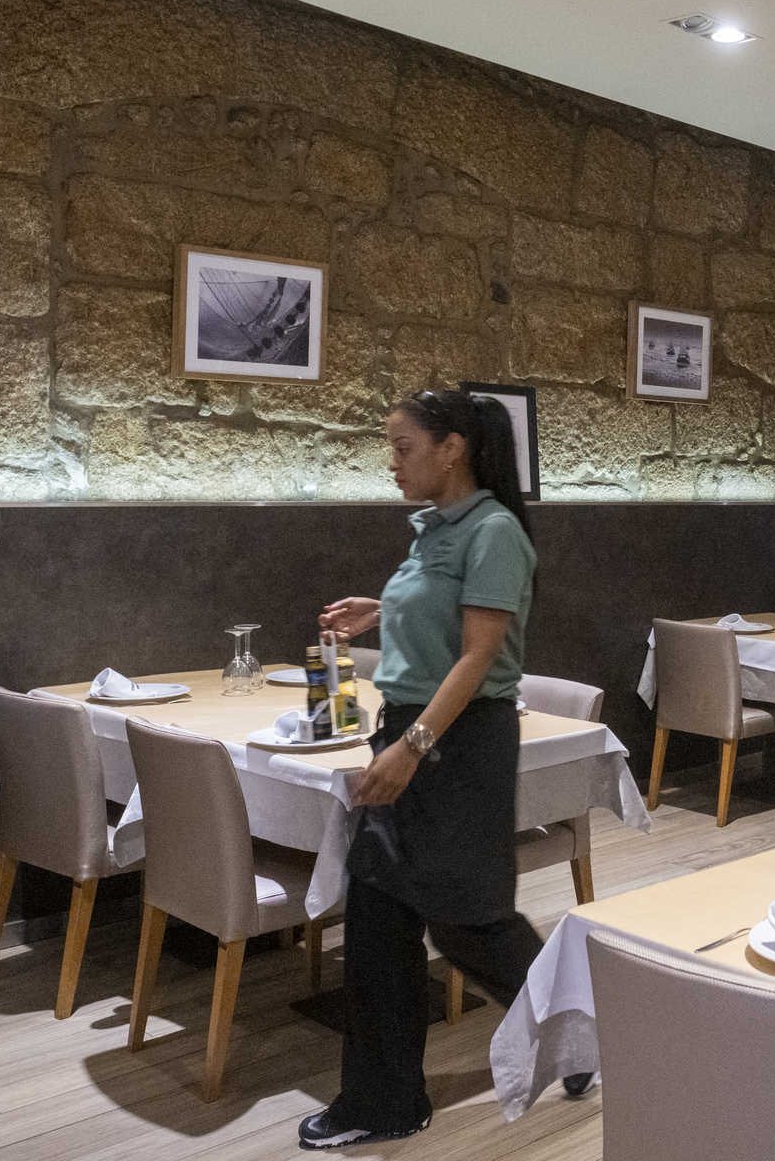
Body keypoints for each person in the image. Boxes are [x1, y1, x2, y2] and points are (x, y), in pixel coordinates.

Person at [297, 389, 546, 1149]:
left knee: (471, 925)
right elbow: (447, 616)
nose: (392, 462)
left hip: (458, 745)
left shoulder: (494, 531)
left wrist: (412, 748)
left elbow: (478, 657)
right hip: (411, 729)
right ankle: (383, 1102)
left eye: (403, 447)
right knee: (378, 920)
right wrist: (383, 610)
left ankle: (584, 1025)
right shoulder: (434, 527)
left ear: (453, 448)